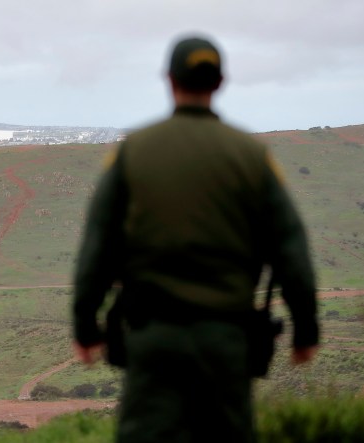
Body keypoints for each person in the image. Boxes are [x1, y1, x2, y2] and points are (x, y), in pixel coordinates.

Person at [72, 34, 319, 442]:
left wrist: (85, 326)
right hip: (226, 341)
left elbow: (98, 246)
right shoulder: (252, 157)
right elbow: (290, 248)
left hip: (153, 338)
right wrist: (306, 330)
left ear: (169, 80)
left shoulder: (134, 151)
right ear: (219, 82)